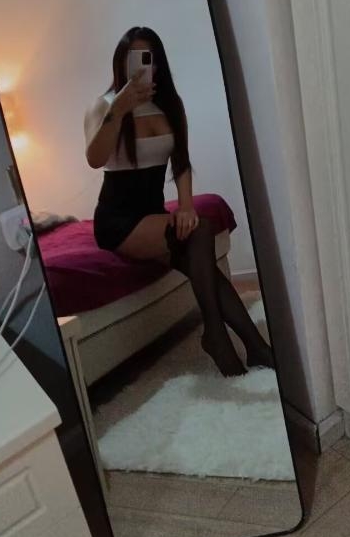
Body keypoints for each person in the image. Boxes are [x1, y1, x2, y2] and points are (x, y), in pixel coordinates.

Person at [84, 27, 274, 376]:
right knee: (200, 233)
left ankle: (253, 346)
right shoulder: (104, 105)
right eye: (133, 59)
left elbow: (181, 162)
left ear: (158, 64)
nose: (141, 67)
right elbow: (94, 159)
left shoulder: (170, 105)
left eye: (149, 59)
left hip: (153, 215)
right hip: (118, 222)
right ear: (120, 63)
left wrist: (186, 206)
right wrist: (119, 110)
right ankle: (219, 335)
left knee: (199, 250)